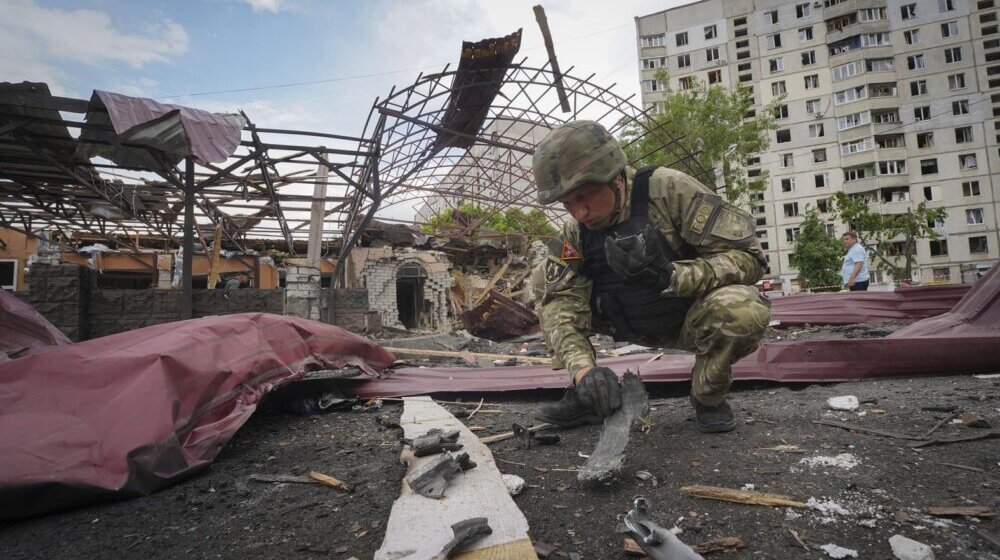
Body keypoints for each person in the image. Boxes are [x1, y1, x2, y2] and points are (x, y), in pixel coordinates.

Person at [530, 120, 771, 433]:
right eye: (567, 203)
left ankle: (708, 396)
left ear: (615, 178)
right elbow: (559, 301)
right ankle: (589, 395)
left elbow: (750, 258)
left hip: (687, 318)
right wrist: (584, 371)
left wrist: (674, 276)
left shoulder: (670, 191)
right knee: (547, 286)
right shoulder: (574, 234)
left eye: (585, 196)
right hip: (621, 319)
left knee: (742, 309)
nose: (579, 213)